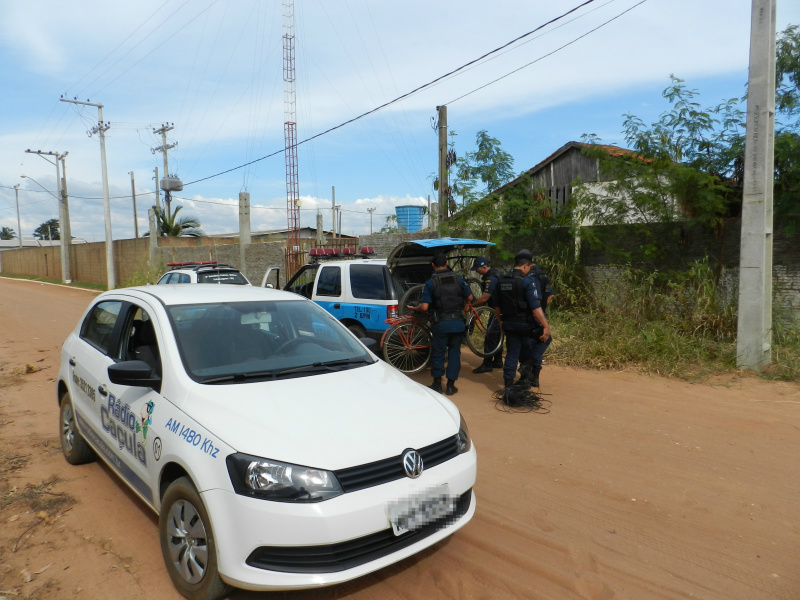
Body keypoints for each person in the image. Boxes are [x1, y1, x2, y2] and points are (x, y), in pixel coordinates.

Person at [407, 253, 473, 395]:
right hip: (457, 324)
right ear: (447, 264)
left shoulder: (431, 283)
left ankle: (437, 385)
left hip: (440, 324)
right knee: (454, 353)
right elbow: (470, 297)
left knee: (438, 353)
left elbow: (424, 307)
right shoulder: (458, 279)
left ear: (433, 265)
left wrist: (415, 308)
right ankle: (450, 386)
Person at [492, 249, 550, 389]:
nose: (529, 270)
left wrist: (500, 322)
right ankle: (527, 366)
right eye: (529, 267)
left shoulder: (501, 281)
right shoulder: (527, 281)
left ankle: (508, 386)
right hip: (525, 324)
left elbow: (497, 306)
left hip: (508, 323)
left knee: (512, 353)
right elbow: (535, 306)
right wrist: (545, 326)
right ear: (525, 266)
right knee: (546, 339)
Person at [469, 256, 504, 374]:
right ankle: (498, 361)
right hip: (501, 310)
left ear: (483, 267)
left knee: (490, 336)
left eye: (477, 269)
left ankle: (487, 364)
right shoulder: (497, 273)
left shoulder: (491, 278)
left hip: (497, 311)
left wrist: (472, 305)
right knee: (498, 335)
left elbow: (485, 298)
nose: (477, 271)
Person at [527, 258, 555, 387]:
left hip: (532, 315)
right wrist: (542, 309)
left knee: (530, 344)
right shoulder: (544, 276)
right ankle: (535, 378)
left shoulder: (531, 276)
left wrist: (536, 310)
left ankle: (527, 374)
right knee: (540, 341)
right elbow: (551, 295)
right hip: (541, 314)